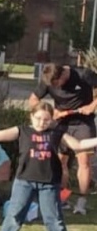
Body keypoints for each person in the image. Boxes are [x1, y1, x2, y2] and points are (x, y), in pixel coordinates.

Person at [0, 103, 97, 231]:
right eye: (38, 118)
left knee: (54, 218)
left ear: (51, 120)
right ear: (31, 116)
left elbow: (78, 145)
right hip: (24, 181)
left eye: (46, 120)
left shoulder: (58, 133)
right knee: (14, 215)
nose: (41, 123)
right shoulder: (22, 130)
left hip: (49, 184)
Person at [28, 63, 97, 215]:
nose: (55, 87)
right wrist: (51, 111)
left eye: (56, 83)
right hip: (61, 123)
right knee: (60, 162)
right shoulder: (48, 80)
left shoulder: (83, 75)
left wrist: (93, 105)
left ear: (63, 75)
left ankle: (82, 202)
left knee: (84, 161)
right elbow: (33, 100)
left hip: (83, 123)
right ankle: (62, 198)